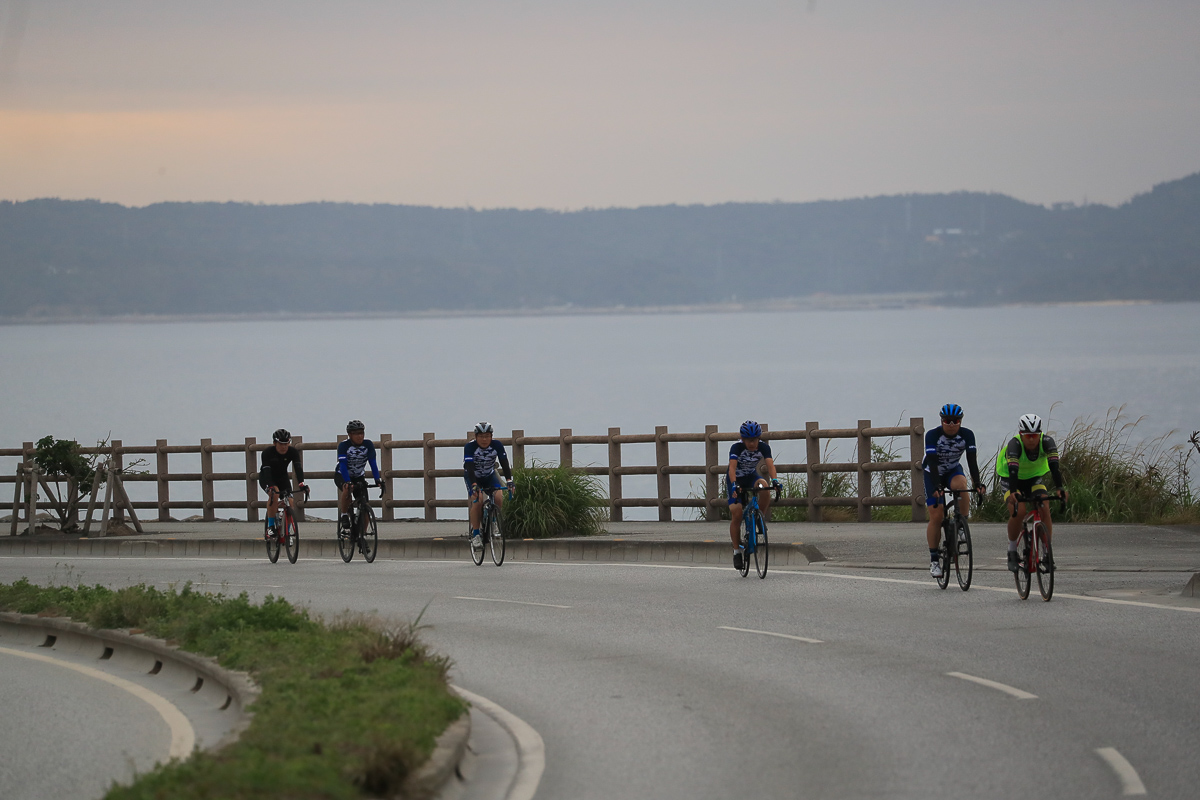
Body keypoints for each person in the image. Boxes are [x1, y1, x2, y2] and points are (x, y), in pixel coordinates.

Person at [996, 413, 1068, 572]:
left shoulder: (1047, 442)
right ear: (1021, 434)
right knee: (1019, 511)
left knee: (1044, 505)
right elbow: (1013, 471)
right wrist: (1013, 493)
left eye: (1035, 435)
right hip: (1010, 478)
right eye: (1028, 435)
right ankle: (1012, 551)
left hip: (1033, 478)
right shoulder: (1014, 444)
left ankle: (1047, 551)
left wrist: (1060, 489)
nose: (1031, 439)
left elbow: (1055, 468)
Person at [921, 404, 984, 577]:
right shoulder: (933, 435)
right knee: (936, 515)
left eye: (955, 421)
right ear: (941, 421)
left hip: (952, 470)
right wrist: (936, 485)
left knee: (961, 486)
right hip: (932, 473)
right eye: (946, 421)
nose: (950, 424)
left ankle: (961, 523)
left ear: (960, 421)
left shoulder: (967, 435)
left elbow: (972, 462)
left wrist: (978, 483)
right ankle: (934, 560)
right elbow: (932, 463)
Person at [727, 420, 780, 571]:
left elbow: (770, 464)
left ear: (759, 438)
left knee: (764, 486)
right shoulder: (736, 447)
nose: (752, 443)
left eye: (755, 440)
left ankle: (759, 517)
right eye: (749, 440)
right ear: (742, 439)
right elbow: (732, 468)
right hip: (735, 479)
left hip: (751, 476)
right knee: (736, 513)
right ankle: (737, 551)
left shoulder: (763, 447)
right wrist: (734, 484)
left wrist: (775, 481)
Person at [465, 422, 514, 551]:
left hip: (489, 475)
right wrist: (474, 485)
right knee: (478, 500)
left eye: (487, 436)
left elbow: (504, 462)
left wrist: (509, 480)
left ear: (491, 436)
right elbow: (469, 468)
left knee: (498, 496)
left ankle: (494, 522)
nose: (484, 439)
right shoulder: (470, 447)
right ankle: (475, 534)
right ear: (476, 437)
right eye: (481, 436)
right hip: (473, 477)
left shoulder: (497, 445)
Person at [259, 428, 307, 536]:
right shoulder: (267, 453)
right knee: (274, 494)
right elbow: (266, 471)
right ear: (274, 443)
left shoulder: (292, 452)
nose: (284, 447)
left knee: (290, 502)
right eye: (281, 444)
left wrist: (302, 484)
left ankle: (288, 532)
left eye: (287, 443)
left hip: (282, 478)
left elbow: (298, 468)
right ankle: (271, 527)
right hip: (267, 477)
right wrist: (270, 486)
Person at [337, 420, 383, 531]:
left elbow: (373, 463)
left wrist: (378, 479)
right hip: (342, 475)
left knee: (365, 507)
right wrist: (348, 481)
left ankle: (362, 536)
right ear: (350, 435)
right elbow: (343, 465)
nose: (360, 436)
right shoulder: (344, 446)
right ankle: (344, 515)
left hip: (359, 476)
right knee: (347, 489)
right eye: (356, 434)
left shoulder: (368, 445)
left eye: (362, 433)